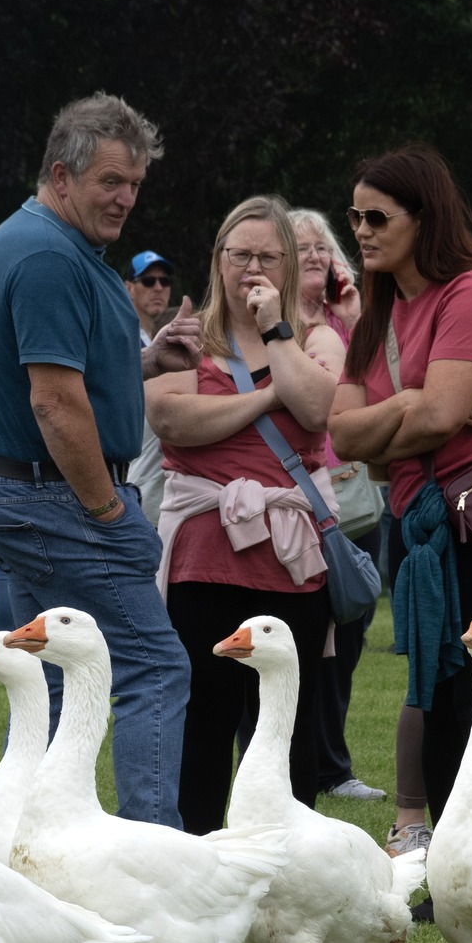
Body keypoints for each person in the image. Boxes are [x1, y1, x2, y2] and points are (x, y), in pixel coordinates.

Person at [0, 92, 196, 828]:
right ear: (61, 176)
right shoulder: (47, 258)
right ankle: (152, 853)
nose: (126, 198)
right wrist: (108, 511)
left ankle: (32, 855)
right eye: (110, 181)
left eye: (135, 184)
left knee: (51, 685)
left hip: (22, 495)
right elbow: (55, 404)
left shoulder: (42, 243)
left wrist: (147, 361)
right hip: (57, 501)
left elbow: (65, 379)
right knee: (154, 667)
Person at [329, 145, 472, 854]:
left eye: (378, 217)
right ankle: (446, 864)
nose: (361, 231)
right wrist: (411, 403)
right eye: (355, 217)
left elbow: (439, 418)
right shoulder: (377, 312)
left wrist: (413, 416)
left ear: (424, 218)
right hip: (420, 524)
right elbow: (342, 434)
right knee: (434, 692)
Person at [147, 196, 342, 833]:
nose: (252, 268)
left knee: (288, 726)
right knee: (203, 720)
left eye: (267, 257)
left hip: (290, 564)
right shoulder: (186, 335)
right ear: (218, 260)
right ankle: (201, 854)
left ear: (289, 267)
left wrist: (276, 331)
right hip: (204, 561)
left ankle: (287, 857)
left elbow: (317, 410)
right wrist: (266, 396)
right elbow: (173, 419)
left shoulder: (313, 337)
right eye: (241, 255)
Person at [291, 207, 385, 803]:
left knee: (347, 634)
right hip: (297, 503)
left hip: (355, 503)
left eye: (322, 247)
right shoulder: (266, 324)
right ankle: (310, 765)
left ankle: (332, 763)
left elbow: (387, 382)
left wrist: (355, 316)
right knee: (301, 639)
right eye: (301, 247)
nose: (315, 256)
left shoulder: (347, 322)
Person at [124, 251, 177, 526]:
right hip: (134, 487)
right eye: (147, 281)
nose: (158, 288)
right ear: (128, 287)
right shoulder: (120, 338)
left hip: (161, 491)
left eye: (164, 281)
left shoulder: (162, 340)